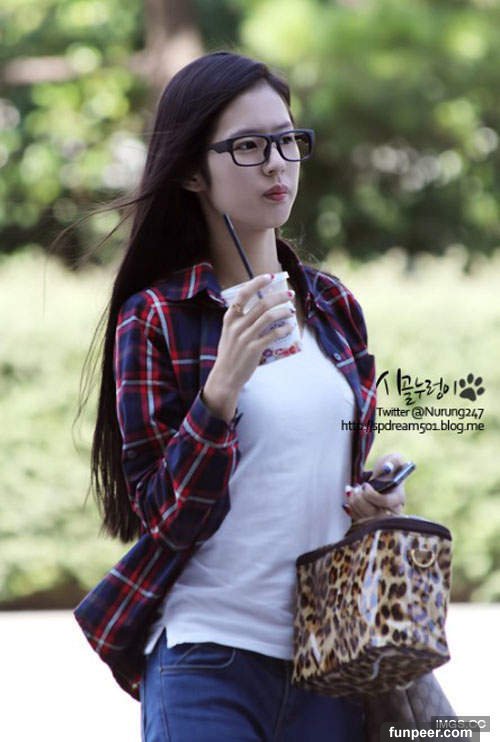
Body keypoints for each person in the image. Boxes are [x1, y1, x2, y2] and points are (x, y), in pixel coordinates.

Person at [74, 50, 406, 741]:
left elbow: (314, 482)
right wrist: (220, 391)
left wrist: (370, 505)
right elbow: (164, 516)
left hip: (328, 659)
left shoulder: (334, 306)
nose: (277, 165)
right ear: (192, 171)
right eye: (249, 147)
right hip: (208, 658)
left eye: (288, 141)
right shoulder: (157, 317)